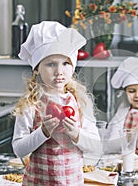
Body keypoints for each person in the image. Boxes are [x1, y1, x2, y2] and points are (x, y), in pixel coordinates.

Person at [11, 21, 100, 185]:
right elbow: (18, 149)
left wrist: (76, 134)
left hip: (72, 182)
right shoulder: (31, 105)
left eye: (66, 63)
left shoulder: (80, 102)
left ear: (73, 67)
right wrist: (42, 132)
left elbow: (95, 146)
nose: (59, 71)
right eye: (51, 64)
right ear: (37, 68)